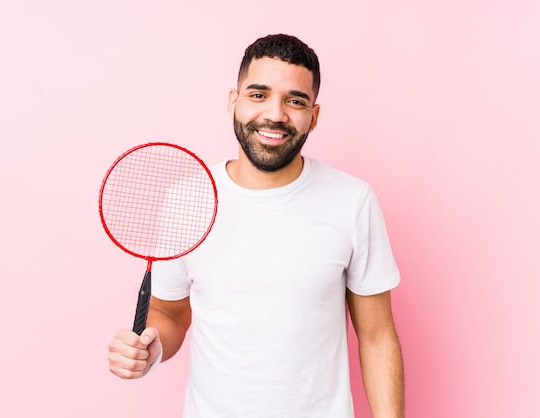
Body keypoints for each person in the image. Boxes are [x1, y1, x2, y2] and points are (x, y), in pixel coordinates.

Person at [108, 34, 405, 417]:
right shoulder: (188, 200)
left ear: (313, 116)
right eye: (258, 94)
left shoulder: (352, 200)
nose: (276, 115)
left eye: (295, 101)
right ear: (234, 101)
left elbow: (378, 335)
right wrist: (151, 348)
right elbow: (170, 312)